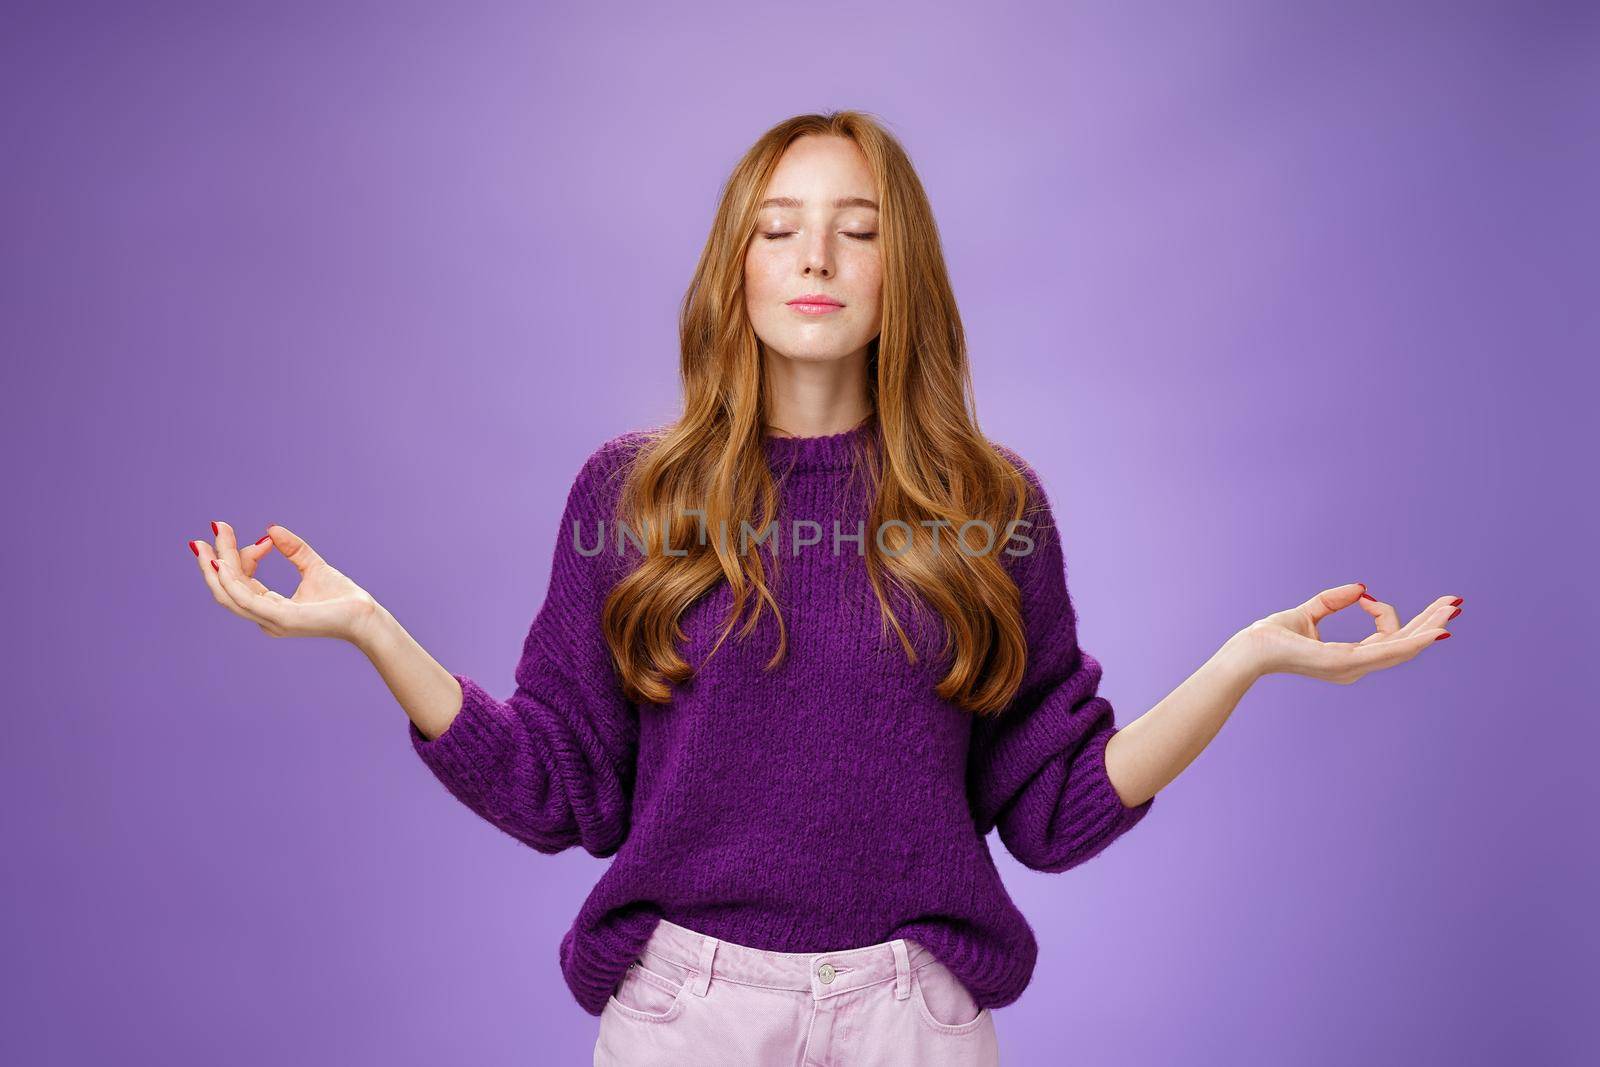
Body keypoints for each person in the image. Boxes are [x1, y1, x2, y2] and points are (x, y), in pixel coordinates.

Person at [188, 111, 1462, 1066]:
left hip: (916, 1016)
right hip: (683, 1015)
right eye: (780, 226)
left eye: (857, 230)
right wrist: (366, 626)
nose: (818, 257)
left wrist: (1247, 656)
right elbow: (558, 780)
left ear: (896, 268)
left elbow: (1056, 810)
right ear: (732, 266)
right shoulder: (630, 496)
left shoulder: (991, 505)